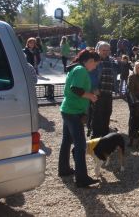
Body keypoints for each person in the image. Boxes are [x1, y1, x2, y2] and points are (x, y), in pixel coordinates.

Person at [58, 49, 100, 188]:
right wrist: (91, 96)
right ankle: (81, 178)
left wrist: (89, 93)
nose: (95, 67)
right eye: (95, 63)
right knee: (80, 144)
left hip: (68, 109)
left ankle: (64, 169)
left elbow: (76, 88)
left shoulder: (77, 68)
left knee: (67, 140)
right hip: (73, 111)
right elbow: (75, 89)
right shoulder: (81, 70)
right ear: (89, 61)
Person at [89, 41, 118, 138]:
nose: (105, 52)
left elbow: (115, 73)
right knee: (97, 114)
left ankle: (105, 135)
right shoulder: (94, 60)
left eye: (107, 50)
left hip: (108, 91)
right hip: (98, 92)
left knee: (107, 112)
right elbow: (91, 75)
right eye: (103, 50)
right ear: (98, 50)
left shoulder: (111, 60)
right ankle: (95, 136)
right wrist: (94, 88)